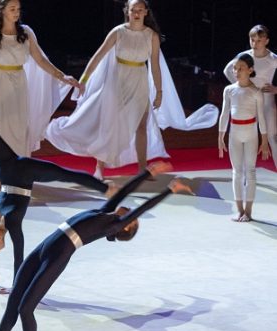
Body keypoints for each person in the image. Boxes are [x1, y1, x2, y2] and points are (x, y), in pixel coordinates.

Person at [0, 161, 192, 331]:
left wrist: (170, 190)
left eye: (133, 218)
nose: (130, 211)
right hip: (44, 246)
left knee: (25, 308)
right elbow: (124, 192)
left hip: (57, 255)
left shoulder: (113, 224)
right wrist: (147, 172)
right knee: (14, 298)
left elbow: (143, 208)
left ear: (127, 226)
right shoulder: (105, 212)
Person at [0, 77, 116, 290]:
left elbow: (19, 257)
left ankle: (106, 188)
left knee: (66, 174)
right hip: (7, 169)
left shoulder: (11, 223)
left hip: (25, 174)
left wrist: (16, 287)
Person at [45, 0, 218, 178]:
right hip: (117, 81)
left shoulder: (151, 36)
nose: (136, 13)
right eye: (133, 10)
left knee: (141, 126)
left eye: (140, 10)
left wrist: (159, 92)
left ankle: (142, 170)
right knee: (109, 124)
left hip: (139, 80)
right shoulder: (118, 32)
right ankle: (100, 167)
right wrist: (84, 80)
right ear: (127, 11)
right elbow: (98, 56)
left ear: (146, 12)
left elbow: (155, 66)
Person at [0, 0, 78, 187]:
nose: (16, 12)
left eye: (18, 9)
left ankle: (17, 174)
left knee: (18, 128)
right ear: (2, 11)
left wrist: (62, 76)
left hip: (19, 83)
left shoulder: (26, 33)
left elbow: (40, 59)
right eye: (12, 9)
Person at [218, 53, 270, 222]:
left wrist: (264, 141)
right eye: (235, 68)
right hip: (234, 132)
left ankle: (248, 211)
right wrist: (220, 136)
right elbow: (224, 114)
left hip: (251, 134)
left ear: (250, 70)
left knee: (250, 171)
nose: (237, 71)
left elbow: (261, 118)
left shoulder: (256, 92)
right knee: (237, 172)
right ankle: (239, 210)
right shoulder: (229, 90)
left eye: (241, 68)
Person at [222, 25, 277, 159]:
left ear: (266, 41)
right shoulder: (244, 57)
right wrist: (240, 86)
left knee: (273, 137)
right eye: (252, 40)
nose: (255, 44)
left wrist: (276, 89)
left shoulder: (273, 59)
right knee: (247, 138)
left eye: (259, 41)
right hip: (249, 103)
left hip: (267, 103)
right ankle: (244, 171)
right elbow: (227, 70)